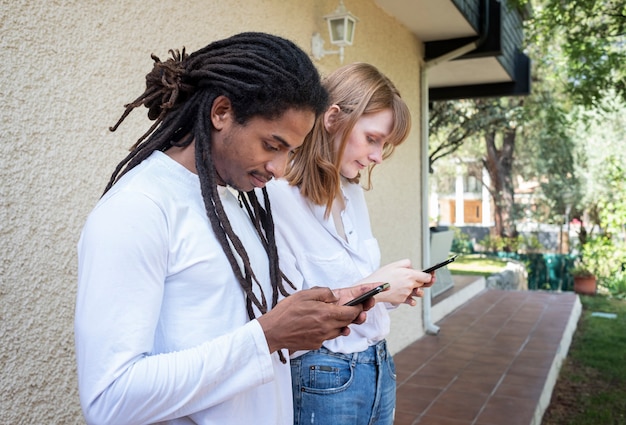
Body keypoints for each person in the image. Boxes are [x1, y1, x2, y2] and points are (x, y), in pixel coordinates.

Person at [74, 33, 381, 425]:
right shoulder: (138, 210)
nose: (279, 169)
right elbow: (110, 399)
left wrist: (320, 307)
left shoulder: (232, 201)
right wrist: (268, 336)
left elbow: (224, 324)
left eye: (290, 151)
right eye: (273, 145)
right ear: (221, 112)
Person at [263, 62, 434, 425]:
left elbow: (357, 291)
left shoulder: (351, 193)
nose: (376, 157)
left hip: (380, 367)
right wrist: (378, 287)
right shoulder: (276, 197)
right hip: (322, 377)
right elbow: (287, 313)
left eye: (383, 145)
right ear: (333, 118)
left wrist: (389, 293)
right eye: (372, 138)